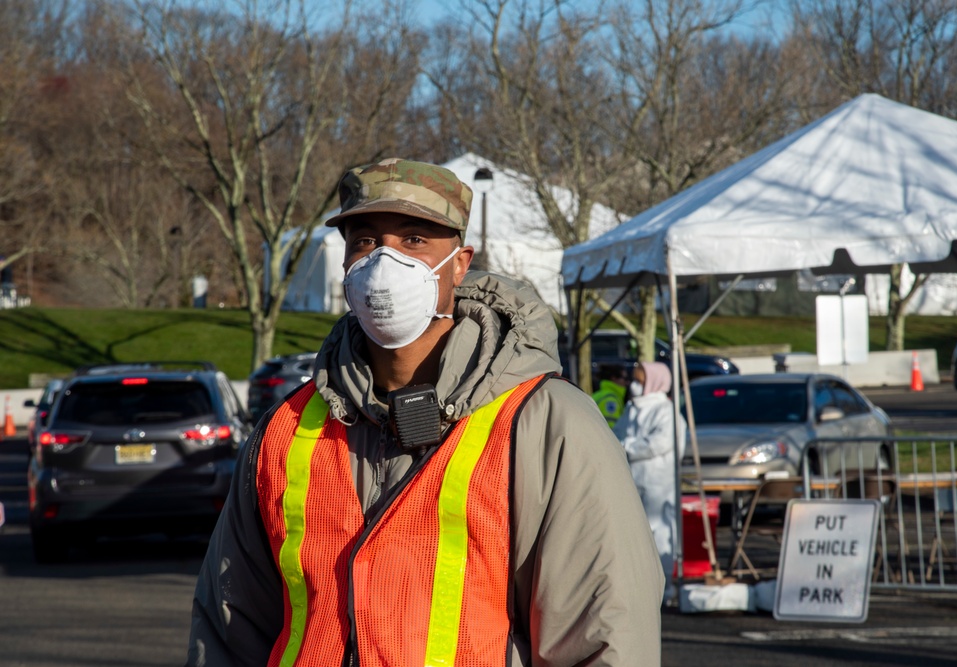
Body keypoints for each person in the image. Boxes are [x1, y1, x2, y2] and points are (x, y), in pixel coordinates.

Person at [187, 158, 665, 666]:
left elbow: (604, 635)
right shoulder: (285, 432)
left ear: (460, 263)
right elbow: (228, 626)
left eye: (414, 240)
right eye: (366, 241)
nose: (383, 263)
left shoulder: (545, 423)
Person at [613, 360, 686, 603]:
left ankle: (664, 584)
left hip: (658, 483)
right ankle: (637, 583)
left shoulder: (666, 411)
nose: (633, 385)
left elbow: (659, 443)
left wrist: (627, 447)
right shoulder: (633, 408)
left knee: (660, 532)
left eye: (639, 381)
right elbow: (616, 435)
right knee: (633, 533)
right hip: (632, 479)